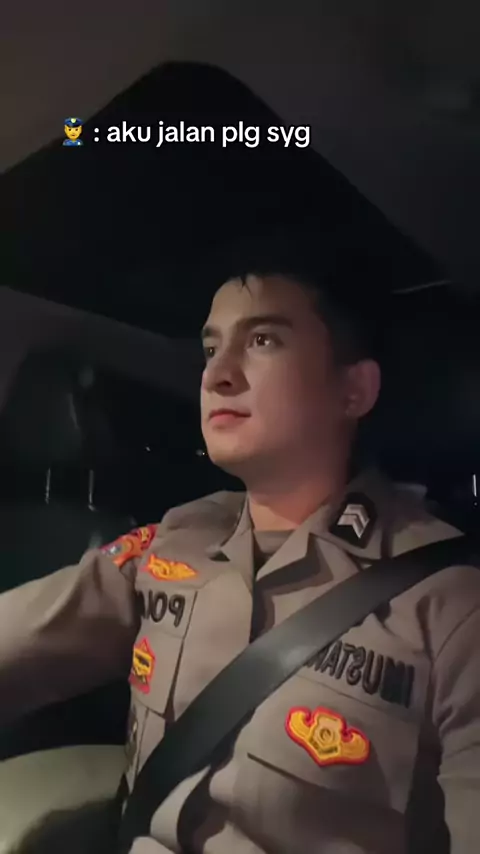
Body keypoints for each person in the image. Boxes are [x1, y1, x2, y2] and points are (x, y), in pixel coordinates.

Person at [0, 234, 479, 854]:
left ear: (354, 390)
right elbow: (22, 635)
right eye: (210, 348)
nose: (218, 374)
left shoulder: (451, 602)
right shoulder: (177, 539)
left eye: (263, 340)